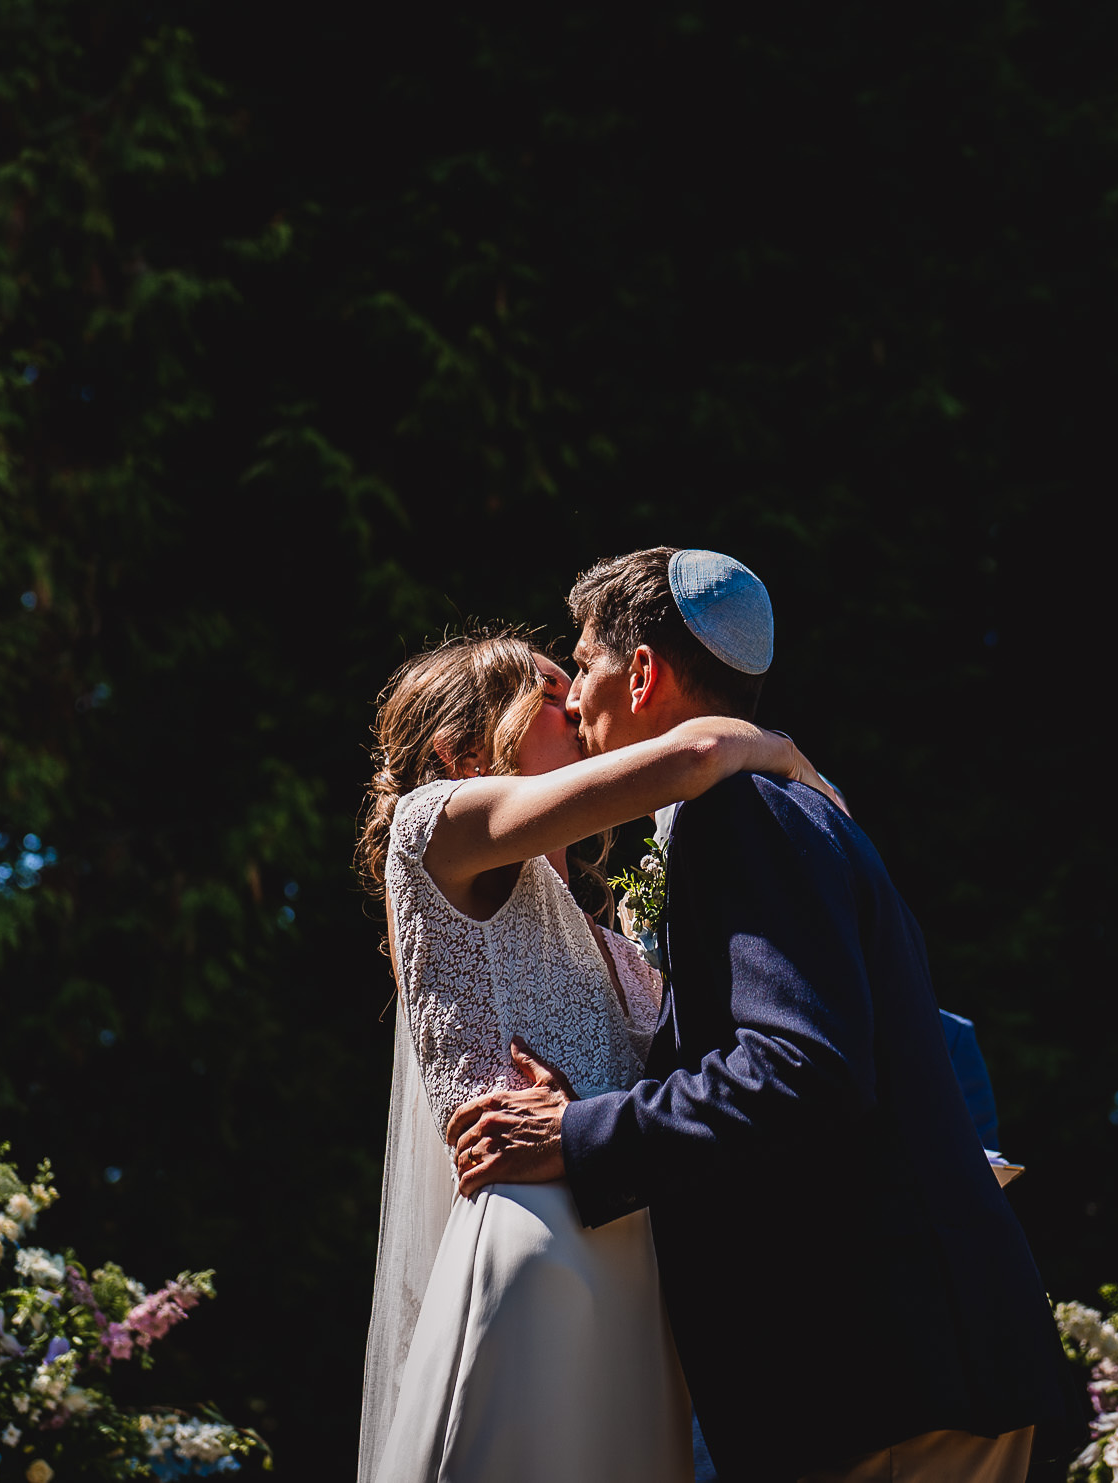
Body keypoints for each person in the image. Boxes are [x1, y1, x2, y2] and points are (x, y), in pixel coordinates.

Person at [447, 548, 1073, 1483]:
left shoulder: (742, 812)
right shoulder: (777, 807)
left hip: (877, 1380)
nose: (574, 697)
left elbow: (801, 1066)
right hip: (900, 1371)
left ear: (645, 672)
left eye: (583, 664)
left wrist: (581, 1133)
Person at [355, 623, 845, 1483]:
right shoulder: (435, 830)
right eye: (549, 692)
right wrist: (781, 750)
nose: (580, 702)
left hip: (640, 1285)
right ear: (463, 748)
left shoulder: (617, 945)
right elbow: (694, 753)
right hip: (536, 1250)